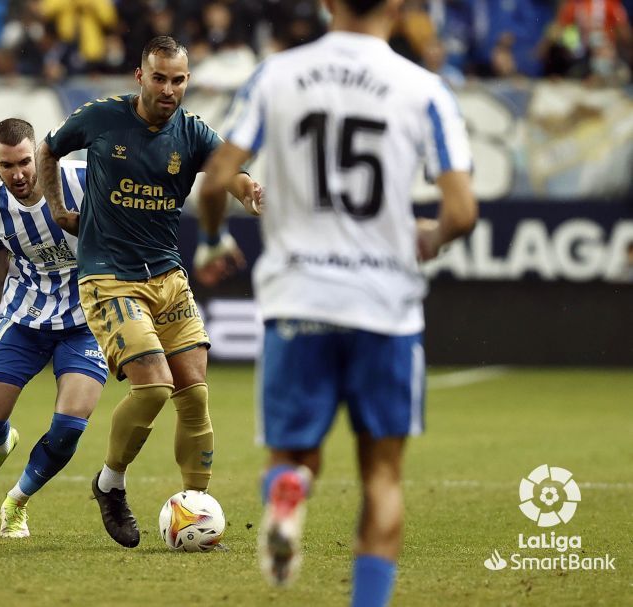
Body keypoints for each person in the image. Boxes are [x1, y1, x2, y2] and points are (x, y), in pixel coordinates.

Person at [199, 0, 478, 602]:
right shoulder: (424, 89)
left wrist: (213, 237)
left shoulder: (278, 74)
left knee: (293, 455)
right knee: (381, 474)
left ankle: (286, 489)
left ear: (327, 3)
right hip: (385, 304)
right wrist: (430, 236)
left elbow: (218, 177)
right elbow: (461, 211)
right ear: (399, 7)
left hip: (298, 297)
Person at [35, 35, 262, 549]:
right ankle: (109, 482)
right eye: (159, 78)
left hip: (167, 275)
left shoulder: (191, 132)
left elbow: (231, 171)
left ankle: (197, 513)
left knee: (195, 395)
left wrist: (249, 192)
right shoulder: (101, 117)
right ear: (140, 76)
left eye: (178, 80)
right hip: (108, 275)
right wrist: (55, 208)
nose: (169, 89)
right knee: (155, 388)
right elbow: (48, 149)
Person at [0, 118, 108, 539]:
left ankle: (17, 502)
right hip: (24, 318)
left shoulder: (84, 181)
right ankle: (2, 444)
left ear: (41, 154)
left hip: (86, 322)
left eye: (26, 161)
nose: (19, 174)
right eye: (8, 165)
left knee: (68, 426)